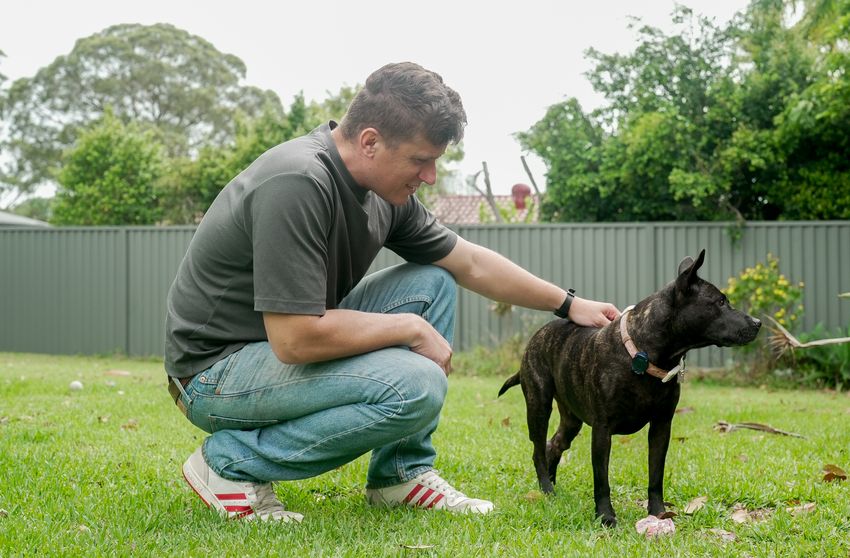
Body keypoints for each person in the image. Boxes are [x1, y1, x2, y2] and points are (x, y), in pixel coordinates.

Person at [164, 61, 619, 522]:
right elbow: (295, 338)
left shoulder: (383, 192)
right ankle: (229, 464)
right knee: (417, 385)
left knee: (433, 280)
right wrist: (409, 327)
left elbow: (470, 263)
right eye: (421, 160)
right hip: (213, 372)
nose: (430, 176)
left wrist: (568, 303)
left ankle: (400, 474)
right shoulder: (298, 182)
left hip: (275, 347)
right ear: (370, 142)